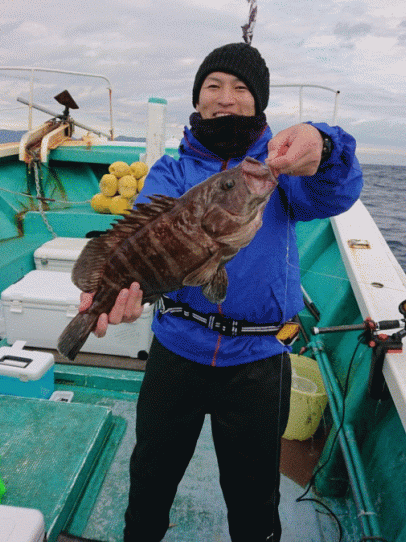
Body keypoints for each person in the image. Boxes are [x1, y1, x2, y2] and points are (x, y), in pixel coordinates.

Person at [80, 42, 363, 541]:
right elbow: (140, 238)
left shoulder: (276, 174)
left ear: (259, 102)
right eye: (213, 86)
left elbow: (338, 191)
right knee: (149, 481)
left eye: (240, 88)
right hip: (175, 351)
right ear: (198, 98)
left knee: (254, 501)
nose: (225, 98)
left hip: (257, 362)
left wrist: (326, 144)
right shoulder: (171, 171)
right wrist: (120, 291)